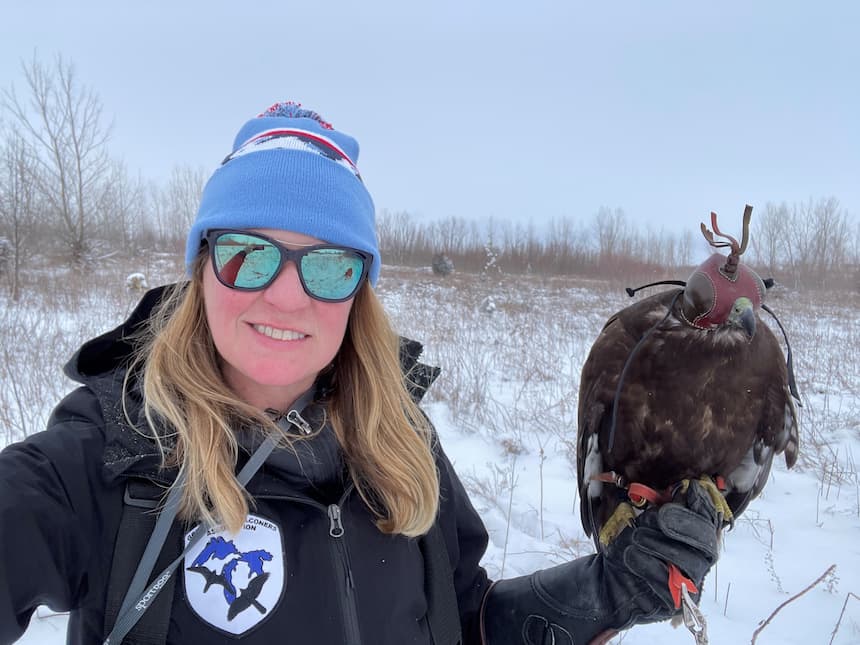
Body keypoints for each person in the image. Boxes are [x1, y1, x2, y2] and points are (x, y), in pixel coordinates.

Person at [0, 101, 721, 645]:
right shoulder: (114, 452)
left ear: (358, 290)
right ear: (202, 268)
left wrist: (606, 590)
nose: (286, 294)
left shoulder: (398, 441)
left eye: (328, 263)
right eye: (248, 252)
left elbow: (463, 620)